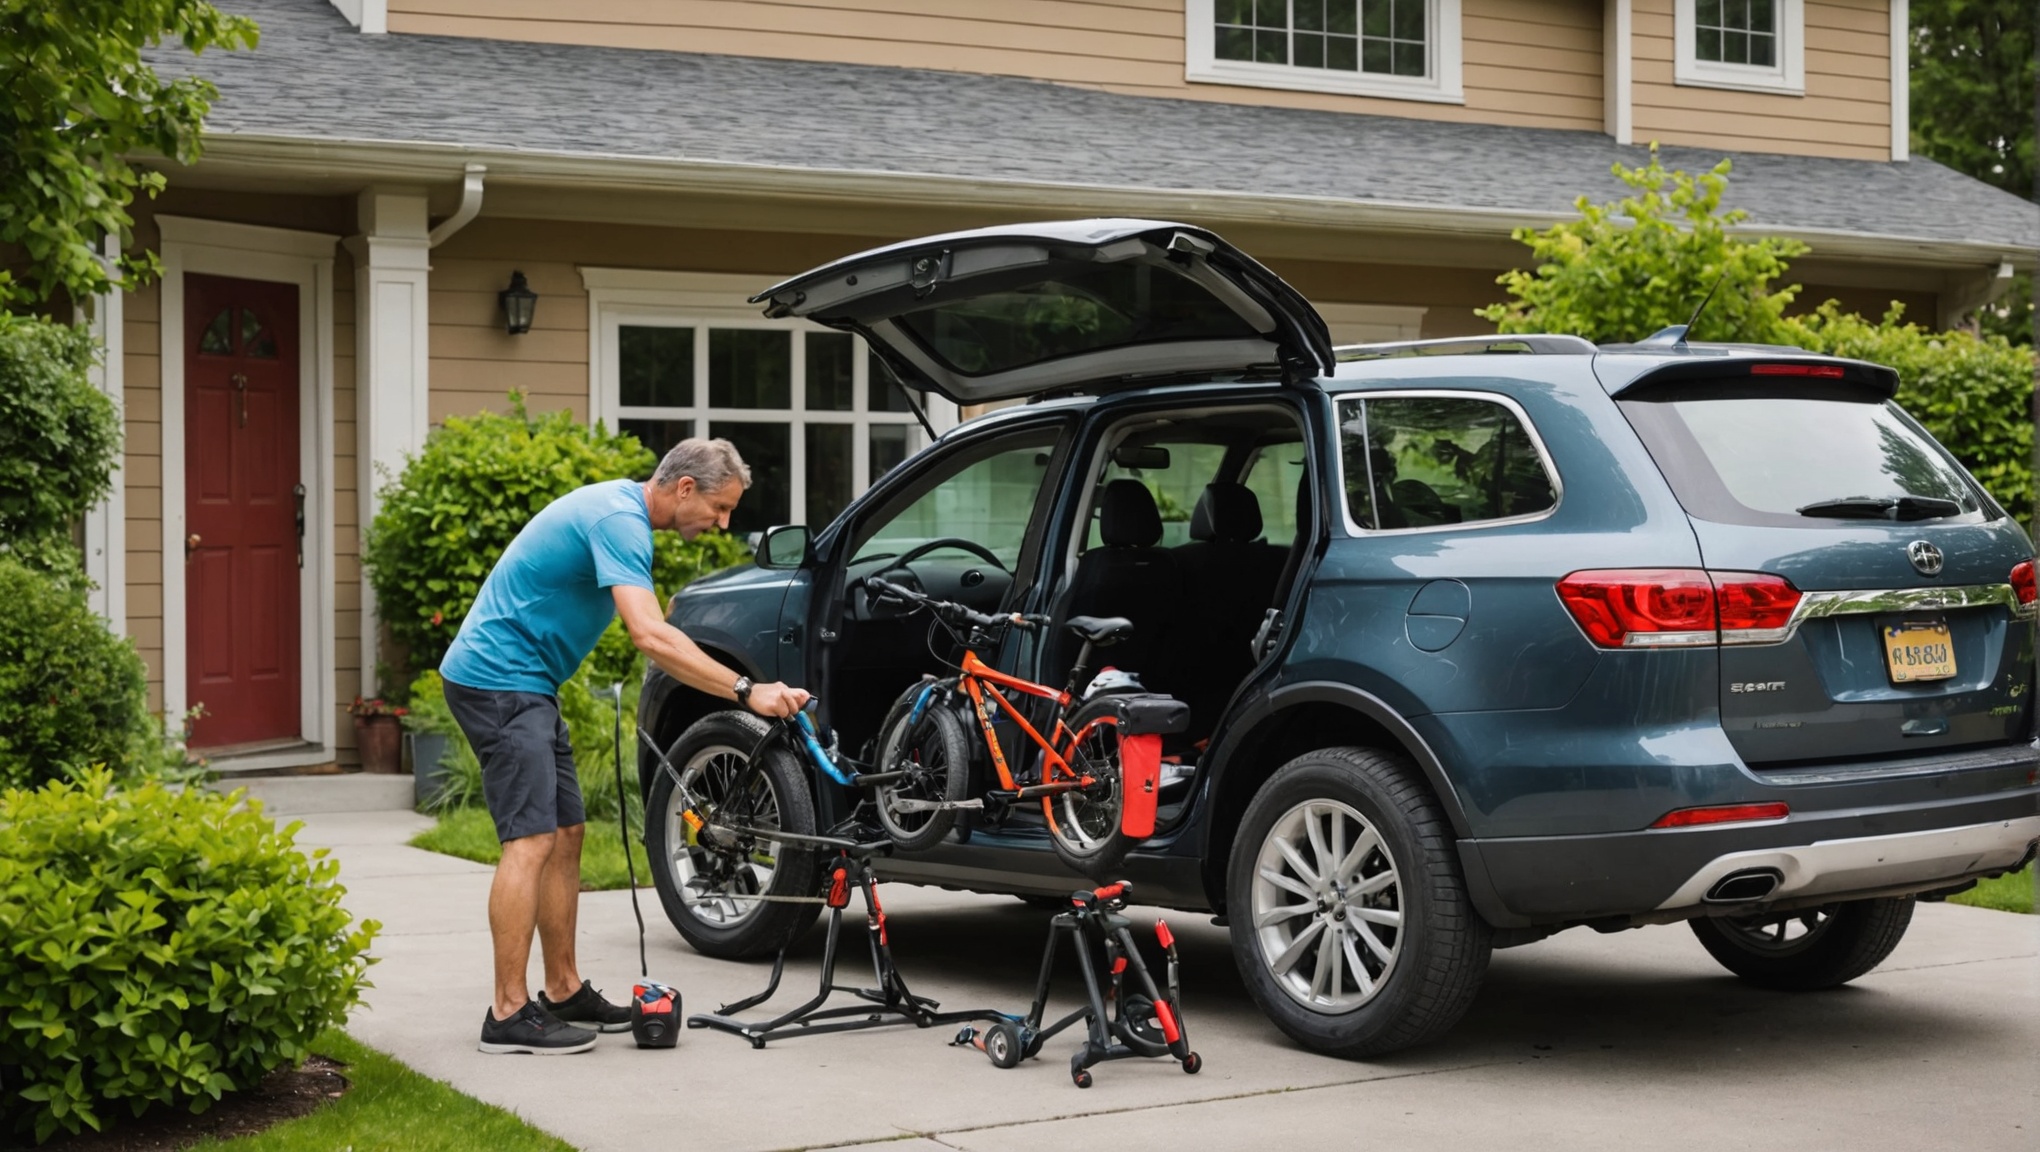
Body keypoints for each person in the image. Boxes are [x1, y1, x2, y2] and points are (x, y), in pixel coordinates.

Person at [439, 437, 809, 1055]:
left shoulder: (620, 514)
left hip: (526, 683)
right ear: (684, 488)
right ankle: (506, 1013)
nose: (722, 525)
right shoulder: (621, 521)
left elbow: (658, 630)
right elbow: (650, 635)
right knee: (529, 840)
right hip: (498, 681)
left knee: (567, 833)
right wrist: (749, 690)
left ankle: (562, 990)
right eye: (719, 509)